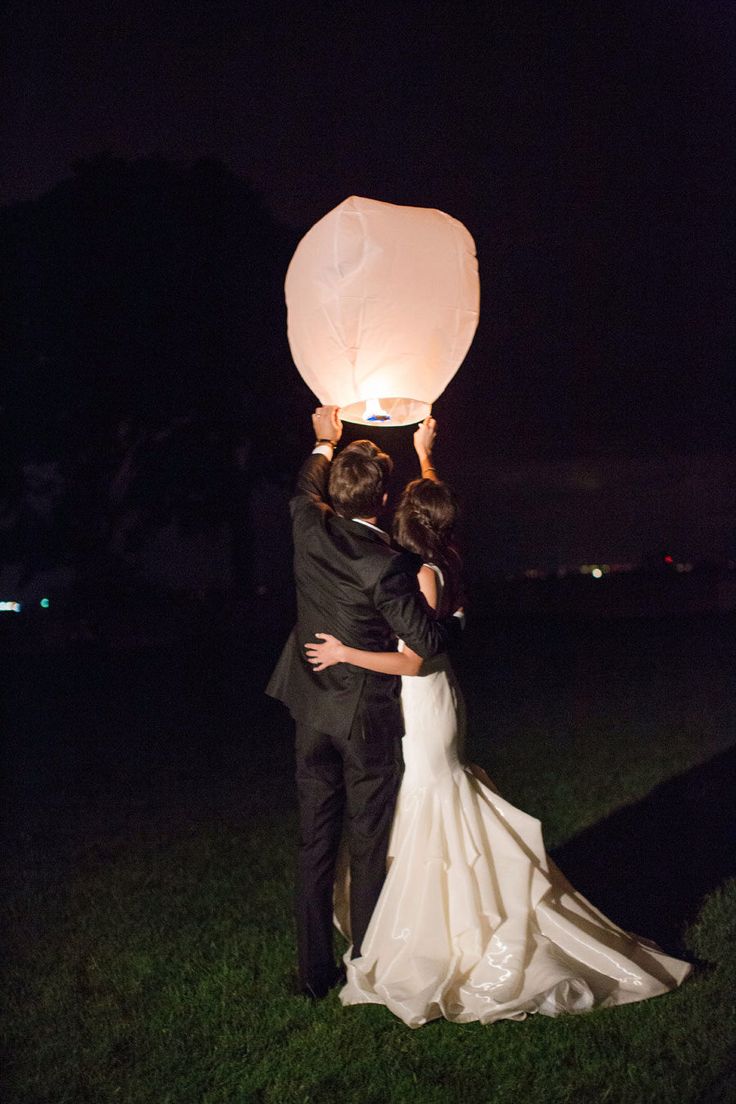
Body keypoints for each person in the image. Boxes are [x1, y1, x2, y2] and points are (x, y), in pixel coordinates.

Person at [305, 417, 692, 1027]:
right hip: (440, 700)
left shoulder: (423, 576)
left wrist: (345, 652)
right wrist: (424, 455)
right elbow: (434, 506)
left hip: (424, 696)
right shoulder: (444, 554)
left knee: (432, 798)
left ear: (410, 521)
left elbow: (413, 657)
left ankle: (445, 926)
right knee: (432, 797)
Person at [266, 406, 462, 1000]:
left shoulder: (306, 524)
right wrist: (456, 619)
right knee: (368, 843)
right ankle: (366, 966)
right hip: (364, 723)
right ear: (381, 502)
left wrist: (324, 441)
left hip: (311, 712)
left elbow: (304, 485)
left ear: (333, 496)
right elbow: (428, 645)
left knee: (315, 842)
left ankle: (311, 974)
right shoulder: (387, 566)